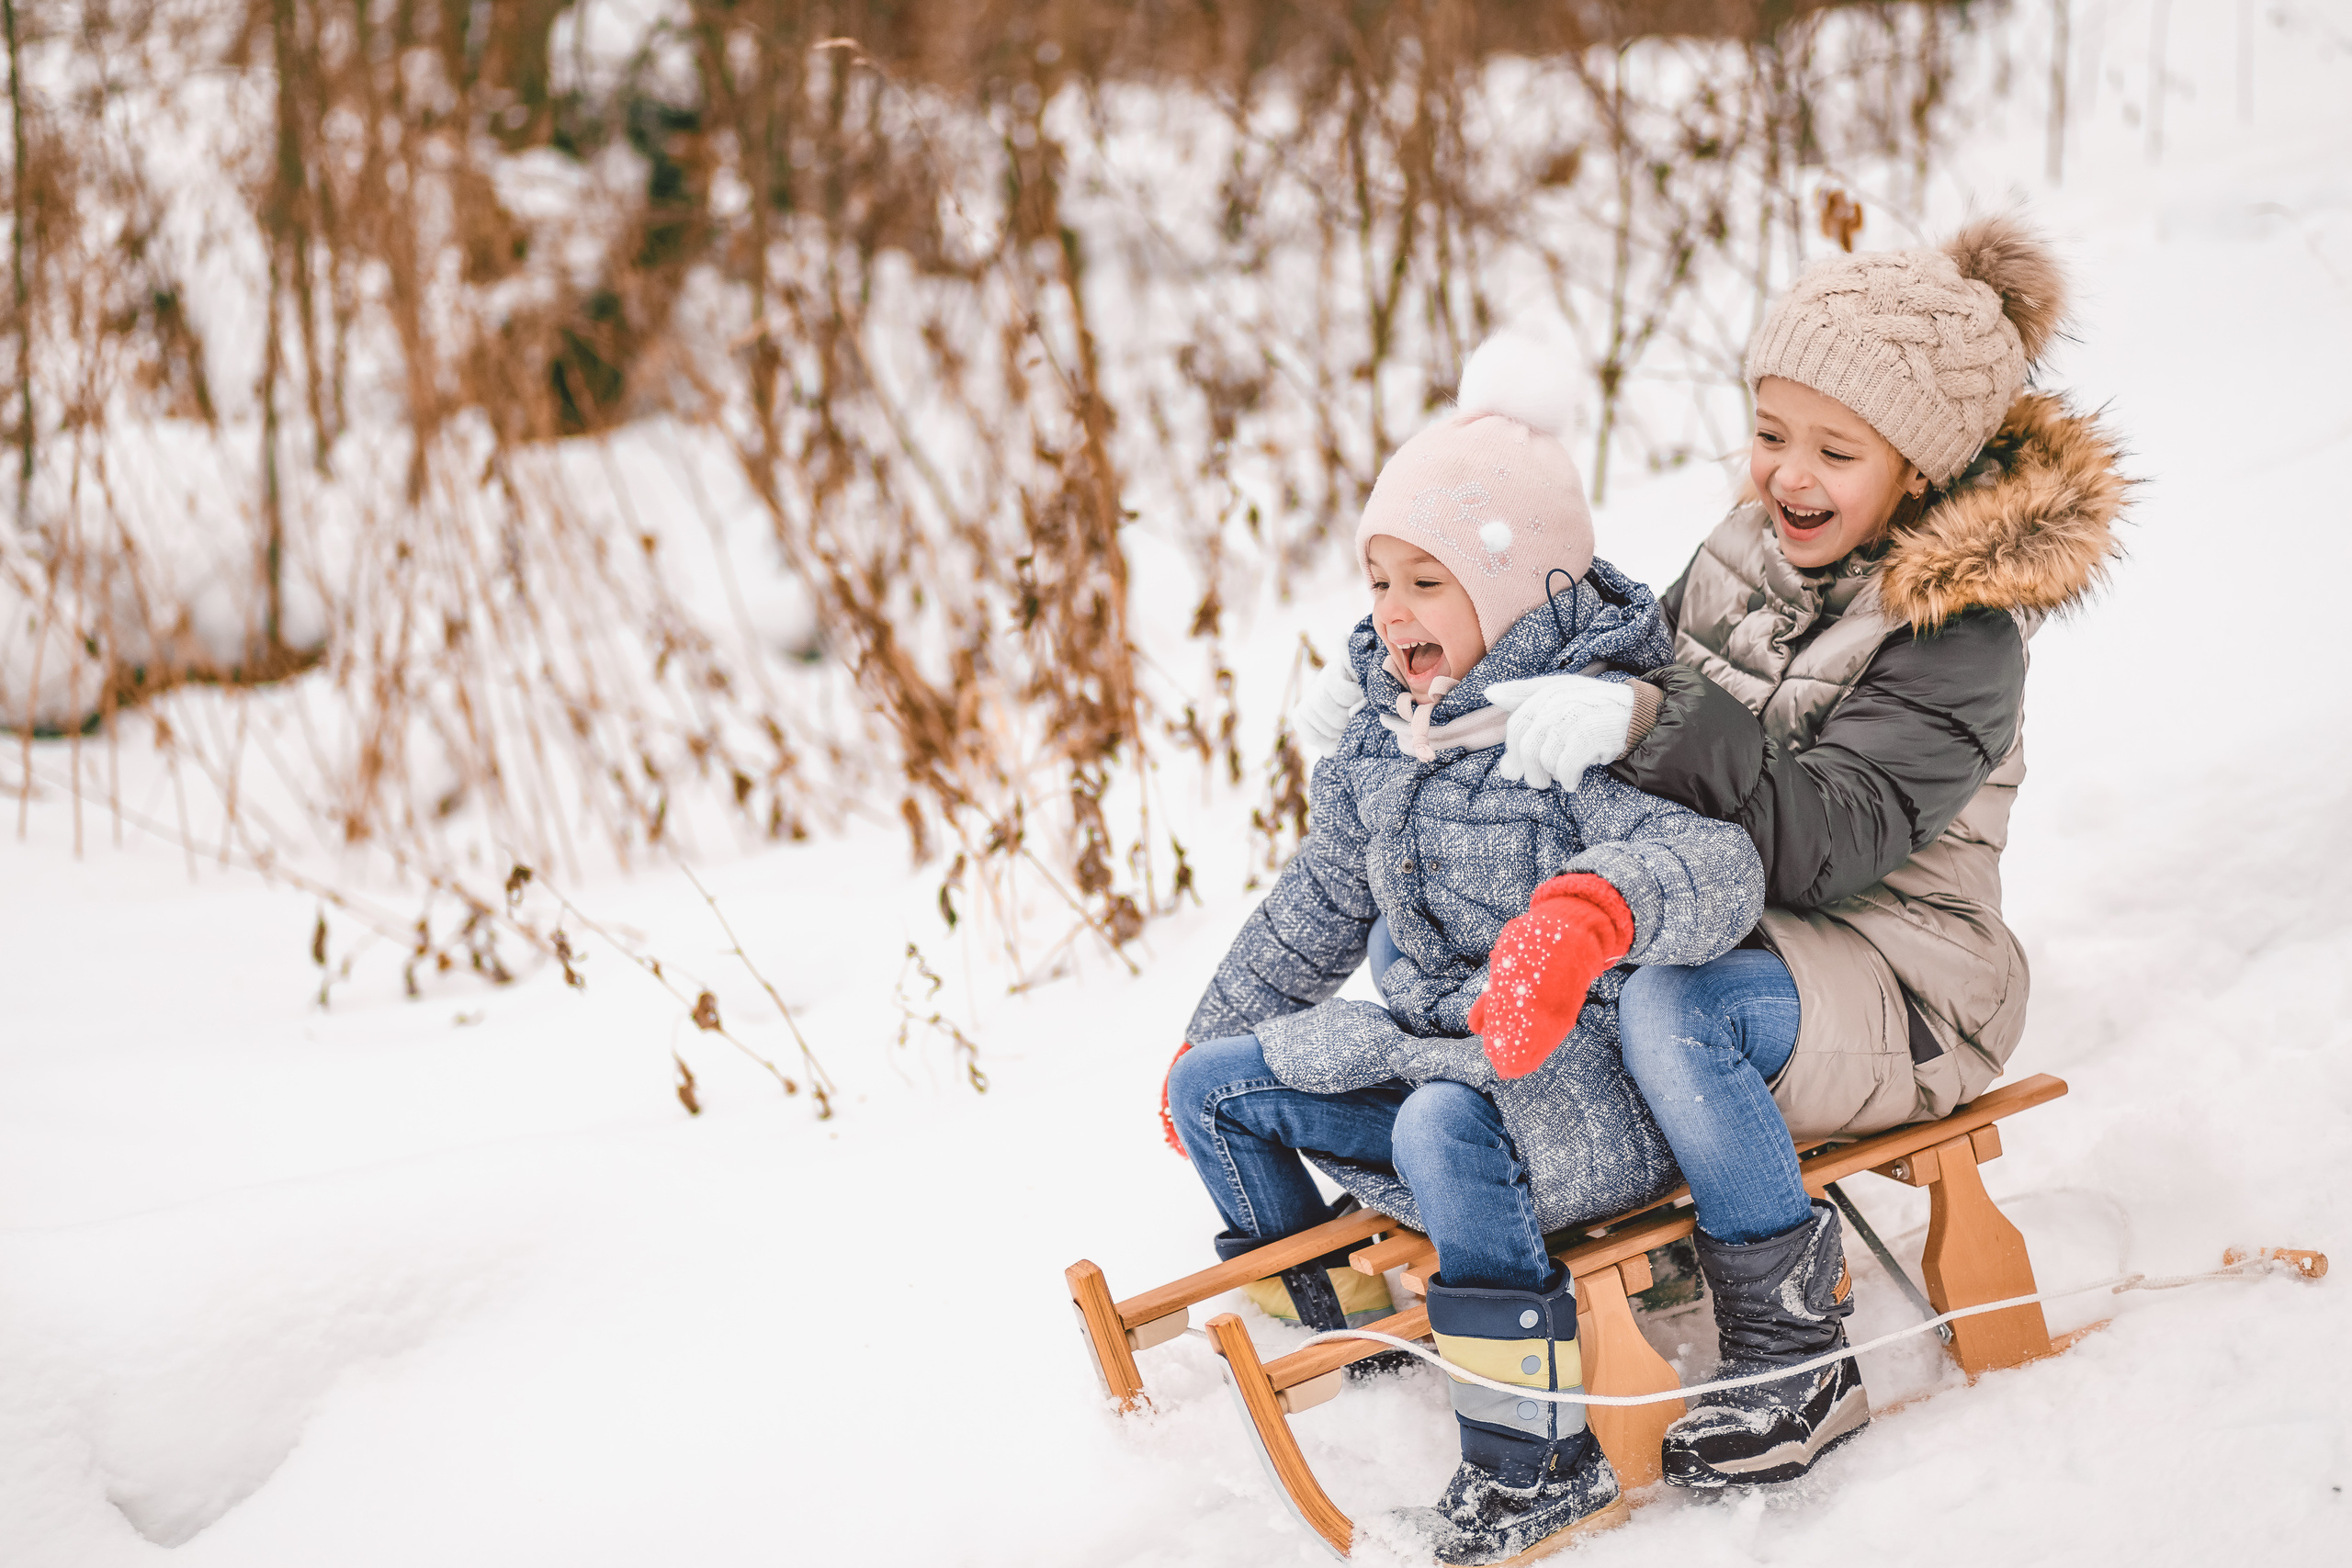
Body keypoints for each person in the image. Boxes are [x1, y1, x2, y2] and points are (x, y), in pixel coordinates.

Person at [1458, 215, 2129, 1488]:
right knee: (1542, 944)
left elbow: (1831, 844)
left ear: (1920, 470)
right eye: (1770, 436)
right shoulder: (1742, 555)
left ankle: (1793, 1352)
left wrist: (1656, 720)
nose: (1788, 476)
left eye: (1835, 450)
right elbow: (1621, 671)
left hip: (1907, 986)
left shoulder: (1957, 637)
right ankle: (1547, 1247)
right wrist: (1451, 690)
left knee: (1671, 1004)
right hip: (1755, 927)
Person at [1161, 332, 1764, 1563]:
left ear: (1515, 589)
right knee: (1216, 1083)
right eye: (1378, 579)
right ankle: (1344, 1331)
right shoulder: (1393, 737)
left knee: (1438, 1125)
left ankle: (1538, 1458)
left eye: (1424, 582)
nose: (1390, 613)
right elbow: (1318, 900)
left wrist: (1594, 914)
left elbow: (1720, 870)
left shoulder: (1569, 726)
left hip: (1572, 1096)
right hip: (1439, 1059)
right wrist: (1210, 1029)